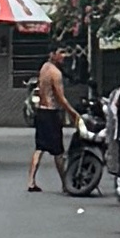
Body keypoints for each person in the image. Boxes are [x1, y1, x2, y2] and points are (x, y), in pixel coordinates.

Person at [25, 48, 75, 194]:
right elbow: (60, 97)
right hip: (51, 113)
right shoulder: (56, 73)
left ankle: (31, 181)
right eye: (61, 53)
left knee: (39, 148)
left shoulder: (44, 68)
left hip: (41, 112)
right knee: (58, 151)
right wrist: (73, 113)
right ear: (52, 54)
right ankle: (65, 184)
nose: (64, 56)